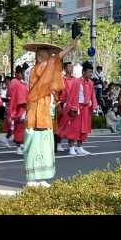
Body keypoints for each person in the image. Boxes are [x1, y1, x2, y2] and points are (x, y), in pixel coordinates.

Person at [23, 38, 79, 187]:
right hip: (36, 111)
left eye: (47, 55)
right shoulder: (36, 69)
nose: (48, 58)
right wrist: (69, 48)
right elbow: (56, 60)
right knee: (34, 146)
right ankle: (32, 179)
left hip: (45, 111)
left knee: (44, 146)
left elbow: (54, 66)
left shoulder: (42, 69)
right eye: (45, 55)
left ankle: (40, 178)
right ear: (40, 56)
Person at [58, 61, 97, 156]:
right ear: (83, 72)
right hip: (77, 107)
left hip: (86, 108)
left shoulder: (91, 83)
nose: (90, 74)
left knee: (84, 128)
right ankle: (71, 147)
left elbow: (93, 95)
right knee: (74, 128)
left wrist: (94, 106)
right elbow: (72, 96)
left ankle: (80, 147)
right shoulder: (76, 82)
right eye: (89, 72)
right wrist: (73, 108)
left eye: (91, 72)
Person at [57, 62, 77, 152]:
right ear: (65, 69)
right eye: (69, 67)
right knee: (61, 125)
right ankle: (58, 143)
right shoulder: (61, 80)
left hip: (73, 105)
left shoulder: (75, 80)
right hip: (63, 104)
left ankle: (71, 146)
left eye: (72, 67)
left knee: (72, 126)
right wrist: (58, 104)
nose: (71, 68)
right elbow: (57, 93)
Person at [8, 65, 28, 155]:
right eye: (24, 73)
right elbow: (13, 95)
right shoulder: (17, 83)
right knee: (19, 128)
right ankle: (19, 146)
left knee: (22, 128)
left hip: (22, 106)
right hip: (20, 107)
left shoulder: (23, 84)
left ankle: (22, 145)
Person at [2, 70, 23, 148]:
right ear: (17, 74)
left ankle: (7, 139)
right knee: (13, 127)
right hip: (12, 108)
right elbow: (9, 96)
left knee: (14, 127)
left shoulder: (19, 83)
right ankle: (17, 144)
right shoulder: (14, 83)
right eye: (21, 73)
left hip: (15, 107)